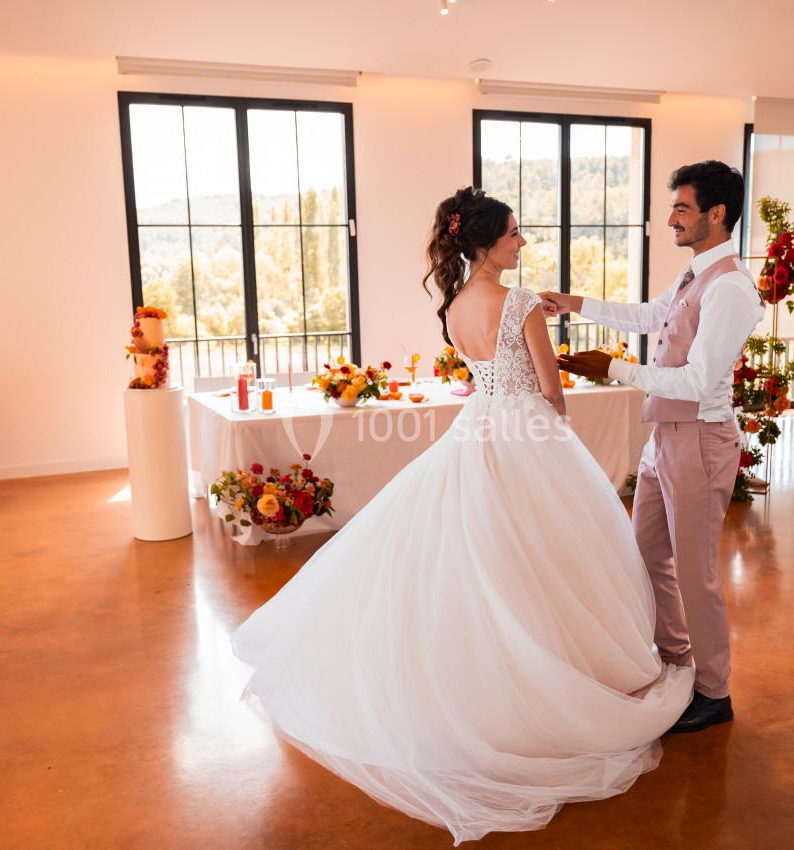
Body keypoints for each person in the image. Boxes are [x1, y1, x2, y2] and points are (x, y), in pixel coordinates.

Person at [233, 186, 693, 845]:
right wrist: (553, 415)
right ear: (484, 243)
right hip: (530, 433)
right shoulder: (522, 303)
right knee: (549, 554)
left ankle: (493, 673)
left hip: (478, 429)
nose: (523, 243)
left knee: (481, 556)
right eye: (514, 235)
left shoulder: (452, 306)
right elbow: (551, 392)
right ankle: (567, 676)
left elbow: (486, 376)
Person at [547, 160, 762, 733]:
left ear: (717, 214)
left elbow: (695, 382)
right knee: (647, 555)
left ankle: (714, 694)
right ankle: (675, 663)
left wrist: (613, 368)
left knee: (696, 574)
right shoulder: (694, 275)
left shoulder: (732, 289)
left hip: (698, 440)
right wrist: (575, 304)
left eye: (681, 208)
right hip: (662, 438)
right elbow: (649, 316)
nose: (670, 219)